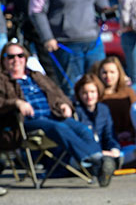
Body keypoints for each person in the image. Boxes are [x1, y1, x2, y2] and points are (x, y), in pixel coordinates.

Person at [0, 41, 116, 186]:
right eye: (10, 57)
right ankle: (98, 161)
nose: (16, 60)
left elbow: (58, 93)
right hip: (25, 122)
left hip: (52, 115)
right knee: (59, 128)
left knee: (83, 129)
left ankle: (96, 164)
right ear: (3, 60)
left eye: (20, 55)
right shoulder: (2, 80)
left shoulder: (37, 76)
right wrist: (16, 102)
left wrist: (65, 105)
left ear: (26, 57)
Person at [28, 0, 110, 94]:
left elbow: (102, 2)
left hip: (93, 42)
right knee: (73, 88)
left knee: (98, 85)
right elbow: (36, 12)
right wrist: (47, 38)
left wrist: (111, 11)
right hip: (65, 44)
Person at [73, 73, 123, 165]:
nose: (89, 96)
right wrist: (99, 152)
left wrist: (114, 149)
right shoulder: (76, 111)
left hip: (105, 152)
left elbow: (110, 135)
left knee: (131, 151)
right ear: (79, 94)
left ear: (98, 92)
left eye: (92, 92)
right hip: (86, 154)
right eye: (85, 93)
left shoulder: (104, 109)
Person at [97, 56, 136, 146]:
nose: (108, 76)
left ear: (119, 73)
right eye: (104, 72)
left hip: (129, 137)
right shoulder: (96, 95)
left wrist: (130, 133)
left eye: (112, 72)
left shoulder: (128, 92)